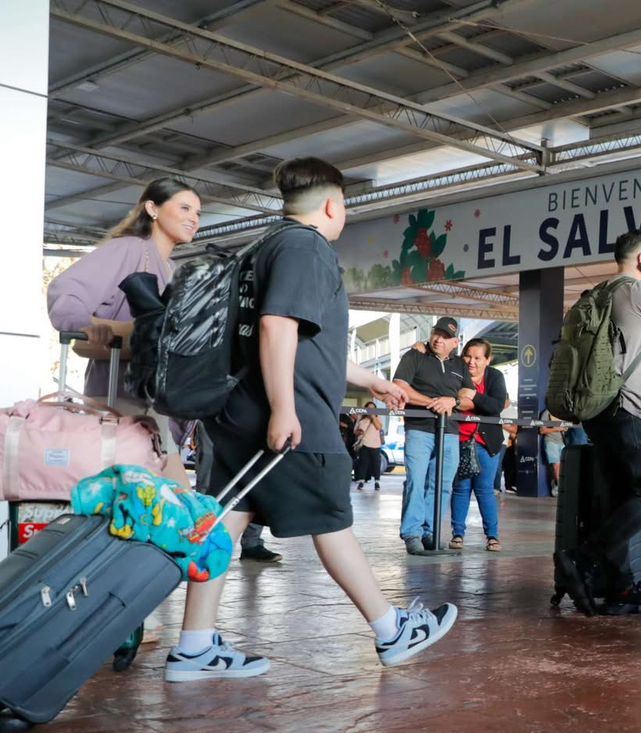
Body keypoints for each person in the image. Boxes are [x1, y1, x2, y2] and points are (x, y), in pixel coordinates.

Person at [166, 157, 456, 681]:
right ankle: (391, 629)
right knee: (331, 518)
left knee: (225, 521)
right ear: (331, 205)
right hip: (289, 411)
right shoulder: (307, 247)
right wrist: (284, 409)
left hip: (237, 411)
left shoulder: (263, 246)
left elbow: (301, 341)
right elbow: (277, 327)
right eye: (344, 205)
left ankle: (194, 645)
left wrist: (372, 381)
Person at [554, 229, 641, 616]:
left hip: (600, 411)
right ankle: (582, 559)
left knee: (618, 497)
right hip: (633, 410)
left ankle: (620, 586)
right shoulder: (640, 292)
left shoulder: (599, 293)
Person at [46, 177, 199, 484]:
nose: (194, 218)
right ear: (152, 209)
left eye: (198, 212)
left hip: (149, 397)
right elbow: (66, 290)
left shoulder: (169, 268)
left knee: (162, 496)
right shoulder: (129, 249)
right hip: (119, 395)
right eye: (184, 208)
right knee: (168, 495)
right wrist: (85, 325)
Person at [392, 317, 469, 554]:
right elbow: (400, 386)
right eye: (437, 333)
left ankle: (430, 532)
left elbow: (468, 395)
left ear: (455, 342)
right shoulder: (415, 356)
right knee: (416, 481)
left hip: (450, 432)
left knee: (442, 484)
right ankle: (412, 533)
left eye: (446, 337)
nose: (438, 340)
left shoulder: (459, 364)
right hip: (419, 429)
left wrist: (452, 401)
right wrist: (434, 403)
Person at [449, 338, 509, 552]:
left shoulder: (495, 376)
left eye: (477, 357)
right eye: (467, 356)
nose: (471, 362)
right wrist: (477, 403)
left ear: (487, 360)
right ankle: (457, 535)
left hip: (487, 443)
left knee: (485, 490)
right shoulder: (454, 373)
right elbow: (453, 403)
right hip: (459, 441)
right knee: (461, 489)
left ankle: (492, 537)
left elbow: (496, 406)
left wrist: (473, 395)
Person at [193, 424, 282, 562]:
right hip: (213, 417)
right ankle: (200, 540)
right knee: (210, 473)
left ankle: (251, 544)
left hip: (256, 417)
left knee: (257, 473)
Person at [351, 401, 386, 490]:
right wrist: (359, 432)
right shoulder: (361, 418)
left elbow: (379, 427)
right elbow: (355, 431)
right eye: (369, 408)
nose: (371, 409)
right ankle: (361, 481)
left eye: (373, 408)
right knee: (363, 463)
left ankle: (377, 481)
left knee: (376, 464)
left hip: (375, 445)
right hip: (364, 444)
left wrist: (373, 416)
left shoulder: (378, 417)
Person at [540, 408, 568, 489]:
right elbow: (542, 430)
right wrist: (557, 429)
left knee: (564, 466)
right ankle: (560, 488)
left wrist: (565, 428)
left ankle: (559, 486)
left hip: (562, 442)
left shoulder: (562, 412)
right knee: (557, 466)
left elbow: (566, 427)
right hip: (551, 442)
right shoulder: (546, 413)